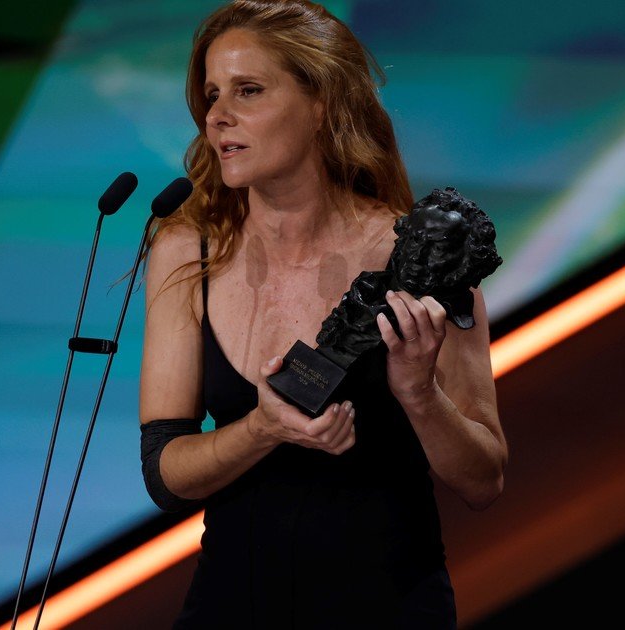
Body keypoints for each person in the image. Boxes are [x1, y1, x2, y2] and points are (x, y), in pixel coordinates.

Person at [138, 1, 506, 627]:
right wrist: (263, 429)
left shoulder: (419, 255)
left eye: (248, 90)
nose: (217, 116)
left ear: (322, 104)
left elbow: (484, 480)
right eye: (212, 94)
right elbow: (165, 474)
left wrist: (419, 394)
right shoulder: (186, 248)